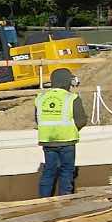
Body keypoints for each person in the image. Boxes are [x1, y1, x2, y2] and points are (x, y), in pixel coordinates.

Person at [34, 66, 83, 198]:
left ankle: (43, 200)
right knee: (67, 171)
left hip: (47, 141)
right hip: (67, 141)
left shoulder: (41, 98)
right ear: (68, 81)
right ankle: (65, 200)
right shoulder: (72, 98)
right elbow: (81, 120)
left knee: (49, 171)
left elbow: (38, 119)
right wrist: (72, 129)